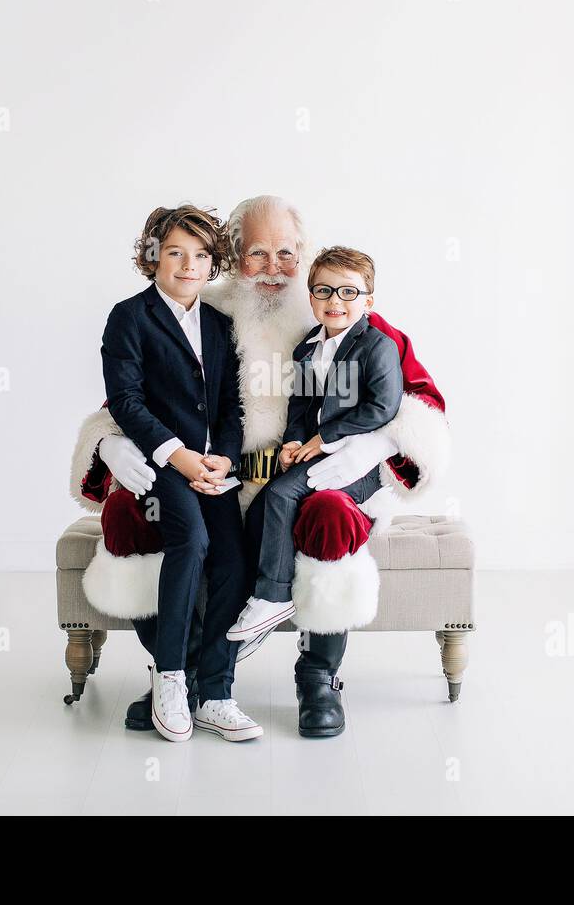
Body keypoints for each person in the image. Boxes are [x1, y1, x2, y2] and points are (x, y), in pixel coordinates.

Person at [73, 195, 452, 738]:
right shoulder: (210, 309)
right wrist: (108, 444)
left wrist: (376, 446)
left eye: (286, 253)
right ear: (232, 257)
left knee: (327, 515)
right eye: (257, 254)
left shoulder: (340, 311)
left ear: (306, 253)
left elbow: (418, 402)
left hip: (322, 480)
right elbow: (137, 399)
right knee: (140, 517)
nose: (273, 269)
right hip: (221, 476)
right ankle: (177, 674)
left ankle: (318, 677)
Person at [98, 204, 261, 743]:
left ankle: (216, 690)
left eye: (200, 255)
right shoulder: (130, 317)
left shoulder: (218, 323)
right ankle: (170, 675)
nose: (188, 265)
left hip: (213, 465)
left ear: (212, 263)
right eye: (175, 253)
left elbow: (233, 405)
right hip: (161, 463)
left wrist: (226, 458)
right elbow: (125, 399)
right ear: (153, 257)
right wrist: (176, 455)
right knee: (189, 539)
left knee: (235, 558)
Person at [227, 246, 401, 662]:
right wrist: (293, 441)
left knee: (283, 495)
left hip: (357, 462)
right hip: (318, 452)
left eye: (348, 292)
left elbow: (382, 407)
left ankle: (272, 596)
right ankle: (253, 596)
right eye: (323, 291)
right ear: (310, 296)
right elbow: (302, 407)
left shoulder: (376, 345)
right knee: (264, 499)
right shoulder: (308, 346)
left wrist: (325, 440)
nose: (335, 301)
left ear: (368, 301)